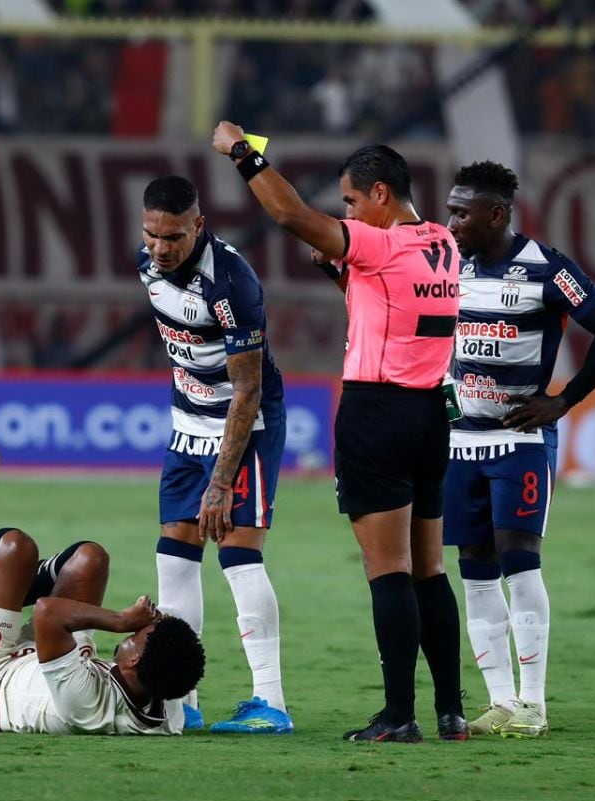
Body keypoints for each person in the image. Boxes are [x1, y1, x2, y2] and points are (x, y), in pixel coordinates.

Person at [211, 122, 466, 743]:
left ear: (380, 194)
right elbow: (388, 303)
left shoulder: (380, 245)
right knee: (430, 570)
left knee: (388, 570)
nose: (346, 213)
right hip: (431, 416)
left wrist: (242, 153)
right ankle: (451, 713)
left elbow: (292, 214)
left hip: (376, 415)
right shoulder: (443, 244)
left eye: (351, 202)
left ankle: (399, 715)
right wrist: (341, 274)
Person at [442, 161, 595, 738]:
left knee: (520, 563)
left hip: (520, 439)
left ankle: (534, 704)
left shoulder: (548, 269)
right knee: (474, 571)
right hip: (458, 440)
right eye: (449, 209)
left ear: (496, 214)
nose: (449, 221)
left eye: (461, 211)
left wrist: (565, 400)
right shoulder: (448, 267)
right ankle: (502, 702)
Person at [137, 175, 293, 734]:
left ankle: (270, 703)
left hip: (243, 427)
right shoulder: (146, 262)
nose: (160, 248)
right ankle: (183, 700)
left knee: (237, 554)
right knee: (174, 556)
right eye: (152, 235)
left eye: (173, 237)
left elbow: (248, 392)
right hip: (186, 424)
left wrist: (221, 482)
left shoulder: (231, 284)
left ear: (199, 225)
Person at [0, 528, 205, 735]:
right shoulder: (165, 700)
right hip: (54, 661)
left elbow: (47, 612)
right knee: (91, 559)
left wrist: (120, 620)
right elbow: (178, 655)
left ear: (134, 660)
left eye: (133, 637)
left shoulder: (86, 706)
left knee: (14, 547)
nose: (132, 631)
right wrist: (158, 624)